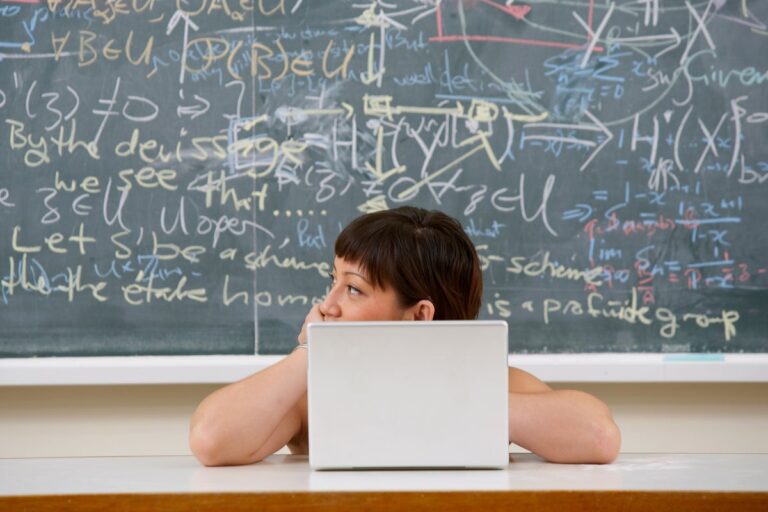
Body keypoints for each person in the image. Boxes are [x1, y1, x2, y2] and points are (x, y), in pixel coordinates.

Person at [189, 207, 621, 466]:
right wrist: (310, 352)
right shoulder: (311, 392)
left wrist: (443, 395)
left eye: (353, 289)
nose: (328, 304)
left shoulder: (491, 384)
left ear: (419, 316)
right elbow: (211, 440)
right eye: (332, 281)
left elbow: (598, 437)